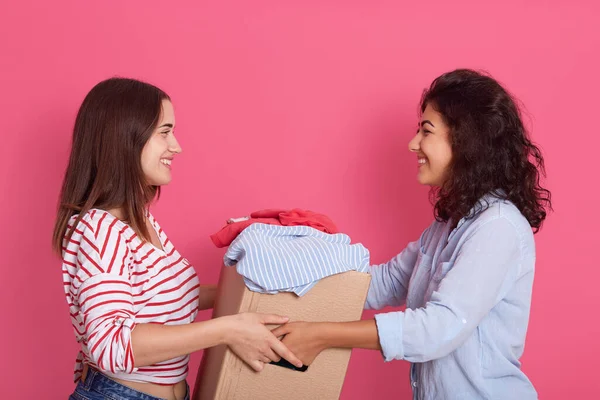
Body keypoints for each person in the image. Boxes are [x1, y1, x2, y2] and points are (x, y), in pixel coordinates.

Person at [272, 69, 552, 400]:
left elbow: (439, 328)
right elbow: (383, 284)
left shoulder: (498, 227)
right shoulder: (448, 226)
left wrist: (322, 336)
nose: (413, 143)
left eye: (426, 131)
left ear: (467, 140)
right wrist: (283, 281)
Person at [52, 77, 302, 400]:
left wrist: (260, 295)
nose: (177, 146)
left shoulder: (139, 221)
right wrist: (228, 329)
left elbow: (170, 297)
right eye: (165, 132)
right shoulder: (101, 230)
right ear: (126, 139)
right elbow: (112, 346)